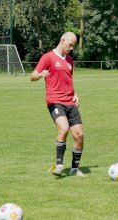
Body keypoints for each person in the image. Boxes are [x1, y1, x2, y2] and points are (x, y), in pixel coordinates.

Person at [31, 32, 85, 177]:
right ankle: (59, 166)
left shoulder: (69, 60)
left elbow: (69, 79)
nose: (72, 48)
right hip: (55, 101)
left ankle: (74, 169)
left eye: (73, 46)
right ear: (62, 40)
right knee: (64, 128)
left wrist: (75, 94)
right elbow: (33, 76)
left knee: (79, 135)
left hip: (70, 101)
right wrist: (40, 74)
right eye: (70, 45)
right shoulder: (47, 57)